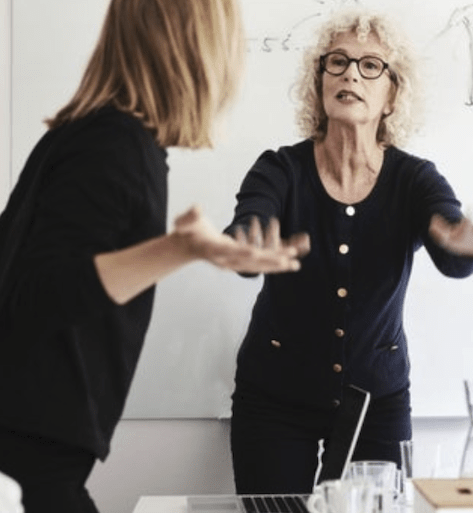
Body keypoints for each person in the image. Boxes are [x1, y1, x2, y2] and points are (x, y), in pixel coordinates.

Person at [0, 1, 309, 512]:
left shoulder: (88, 134)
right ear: (197, 47)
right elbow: (38, 294)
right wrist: (180, 248)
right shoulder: (114, 145)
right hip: (31, 454)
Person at [225, 8, 473, 494]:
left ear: (393, 93)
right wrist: (249, 245)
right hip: (273, 399)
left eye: (370, 65)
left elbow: (452, 247)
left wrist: (463, 245)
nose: (350, 73)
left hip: (375, 403)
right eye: (336, 62)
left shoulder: (414, 179)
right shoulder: (280, 169)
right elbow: (251, 222)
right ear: (319, 82)